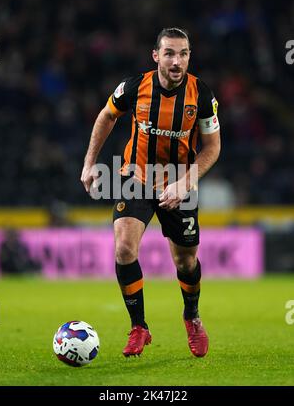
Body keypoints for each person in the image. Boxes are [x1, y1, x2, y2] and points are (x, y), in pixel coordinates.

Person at [81, 28, 220, 358]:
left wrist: (185, 182)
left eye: (183, 53)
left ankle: (192, 317)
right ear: (156, 55)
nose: (177, 61)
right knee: (124, 247)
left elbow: (212, 147)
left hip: (179, 181)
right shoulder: (134, 87)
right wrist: (89, 163)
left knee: (186, 262)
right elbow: (106, 116)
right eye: (170, 53)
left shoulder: (201, 94)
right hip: (136, 176)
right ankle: (139, 327)